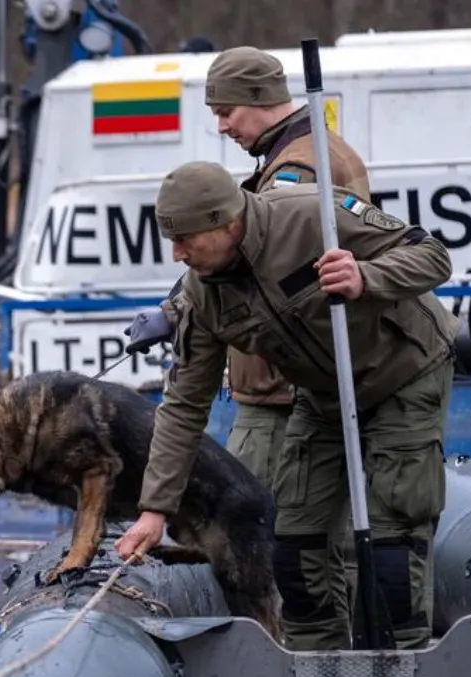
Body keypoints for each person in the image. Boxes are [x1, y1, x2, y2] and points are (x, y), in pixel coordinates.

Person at [115, 160, 457, 652]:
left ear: (226, 223)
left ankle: (399, 666)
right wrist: (154, 508)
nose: (177, 254)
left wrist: (366, 275)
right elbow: (184, 406)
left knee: (391, 540)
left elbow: (432, 257)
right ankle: (318, 663)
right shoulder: (201, 297)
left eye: (186, 239)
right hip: (321, 394)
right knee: (293, 539)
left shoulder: (312, 214)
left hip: (404, 372)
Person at [129, 46, 371, 488]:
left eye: (227, 112)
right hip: (294, 380)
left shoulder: (296, 168)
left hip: (280, 391)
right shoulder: (312, 148)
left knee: (249, 521)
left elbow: (254, 259)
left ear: (260, 97)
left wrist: (173, 312)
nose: (222, 127)